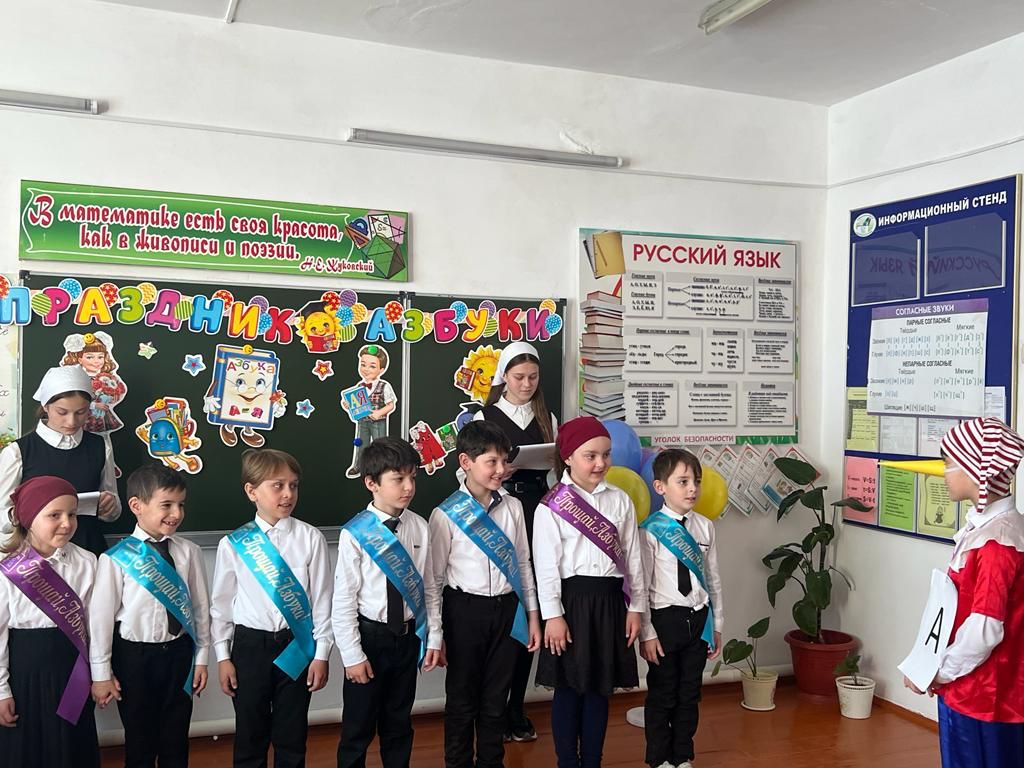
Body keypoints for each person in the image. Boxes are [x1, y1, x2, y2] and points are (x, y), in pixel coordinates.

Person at [903, 418, 1024, 767]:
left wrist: (936, 672)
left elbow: (984, 630)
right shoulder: (989, 531)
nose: (944, 473)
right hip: (970, 689)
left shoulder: (998, 545)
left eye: (949, 463)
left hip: (986, 698)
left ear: (976, 471)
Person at [532, 416, 647, 768]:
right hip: (571, 604)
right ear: (568, 457)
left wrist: (636, 606)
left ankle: (593, 760)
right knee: (569, 688)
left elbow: (633, 557)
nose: (600, 463)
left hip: (611, 603)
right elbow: (546, 568)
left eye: (606, 455)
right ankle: (567, 761)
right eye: (590, 456)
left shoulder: (621, 501)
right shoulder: (551, 505)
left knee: (600, 688)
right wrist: (553, 616)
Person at [210, 449, 332, 768]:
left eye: (293, 485)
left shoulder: (311, 538)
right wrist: (223, 657)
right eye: (277, 485)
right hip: (249, 647)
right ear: (252, 491)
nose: (288, 494)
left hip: (296, 645)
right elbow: (221, 607)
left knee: (292, 734)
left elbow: (322, 602)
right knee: (250, 734)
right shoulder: (233, 544)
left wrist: (321, 654)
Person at [429, 421, 541, 768]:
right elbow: (434, 581)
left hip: (508, 610)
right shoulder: (444, 515)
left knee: (496, 700)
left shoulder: (513, 507)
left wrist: (533, 617)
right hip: (464, 611)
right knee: (462, 700)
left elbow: (523, 564)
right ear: (466, 462)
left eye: (504, 461)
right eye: (492, 461)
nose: (501, 470)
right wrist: (436, 633)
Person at [89, 463, 212, 768]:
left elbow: (200, 609)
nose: (176, 513)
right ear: (137, 506)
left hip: (179, 655)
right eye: (166, 505)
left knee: (175, 739)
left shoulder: (189, 552)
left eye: (181, 505)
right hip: (134, 658)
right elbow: (101, 620)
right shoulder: (115, 559)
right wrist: (101, 673)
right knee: (140, 741)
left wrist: (201, 659)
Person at [334, 437, 443, 768]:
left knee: (399, 724)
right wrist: (352, 656)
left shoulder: (420, 527)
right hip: (369, 639)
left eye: (412, 477)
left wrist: (433, 637)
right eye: (398, 479)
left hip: (407, 639)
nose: (408, 487)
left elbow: (429, 588)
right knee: (358, 727)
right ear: (372, 483)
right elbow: (344, 601)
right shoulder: (355, 533)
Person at [474, 341, 557, 742]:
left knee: (529, 610)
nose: (527, 384)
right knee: (502, 611)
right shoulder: (484, 416)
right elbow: (467, 474)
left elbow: (556, 474)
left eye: (533, 377)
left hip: (540, 515)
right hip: (500, 515)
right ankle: (490, 710)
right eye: (519, 377)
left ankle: (516, 708)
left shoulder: (547, 417)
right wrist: (497, 474)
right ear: (503, 376)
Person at [0, 475, 99, 768]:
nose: (66, 523)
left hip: (73, 670)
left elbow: (93, 626)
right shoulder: (7, 567)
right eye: (54, 515)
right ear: (28, 518)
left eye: (72, 514)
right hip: (24, 674)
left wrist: (99, 674)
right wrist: (2, 691)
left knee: (72, 748)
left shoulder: (87, 562)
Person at [638, 449, 723, 768]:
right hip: (665, 620)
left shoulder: (705, 527)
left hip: (699, 619)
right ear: (660, 487)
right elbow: (642, 586)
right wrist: (646, 633)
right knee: (663, 693)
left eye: (696, 482)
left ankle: (682, 755)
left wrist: (717, 624)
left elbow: (713, 579)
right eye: (683, 481)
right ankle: (659, 758)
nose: (692, 489)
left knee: (690, 693)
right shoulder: (650, 530)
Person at [0, 365, 121, 556]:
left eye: (81, 412)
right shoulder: (18, 452)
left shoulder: (100, 446)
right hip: (37, 559)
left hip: (88, 552)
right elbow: (2, 517)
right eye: (62, 412)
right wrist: (24, 513)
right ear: (46, 407)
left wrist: (109, 506)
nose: (72, 421)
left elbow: (113, 509)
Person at [344, 345, 398, 479]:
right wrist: (348, 405)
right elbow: (355, 405)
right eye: (363, 365)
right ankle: (359, 465)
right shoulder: (359, 387)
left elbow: (391, 405)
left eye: (372, 366)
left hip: (378, 422)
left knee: (380, 444)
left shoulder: (384, 386)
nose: (366, 369)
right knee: (361, 443)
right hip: (363, 421)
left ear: (381, 370)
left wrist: (379, 413)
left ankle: (382, 466)